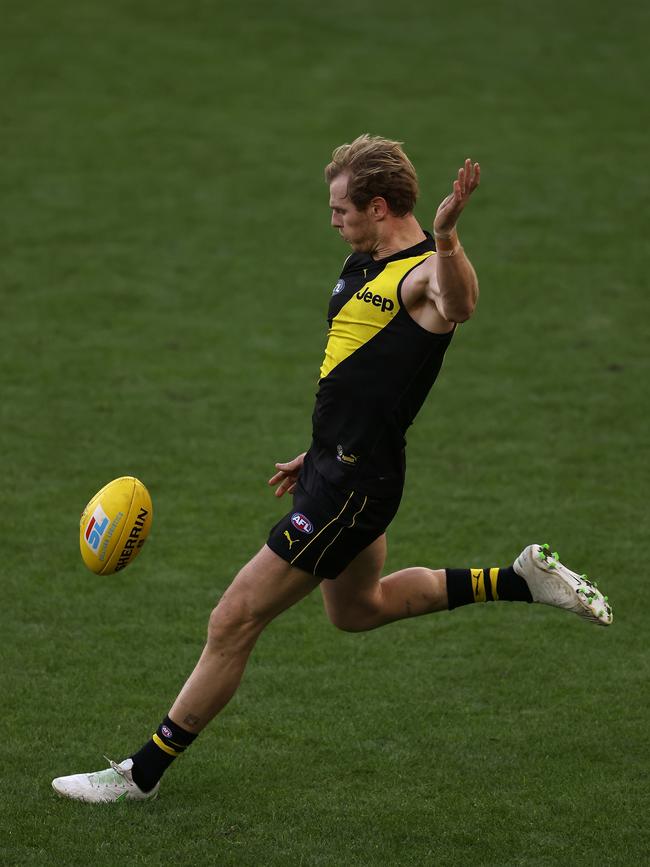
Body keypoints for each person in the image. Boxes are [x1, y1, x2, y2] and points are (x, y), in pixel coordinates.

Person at [52, 135, 612, 803]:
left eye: (341, 209)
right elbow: (358, 376)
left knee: (232, 619)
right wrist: (316, 449)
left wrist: (447, 238)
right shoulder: (360, 263)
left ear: (379, 206)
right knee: (357, 610)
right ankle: (520, 579)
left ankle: (140, 773)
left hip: (350, 490)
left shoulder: (421, 275)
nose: (333, 221)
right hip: (342, 468)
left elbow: (458, 304)